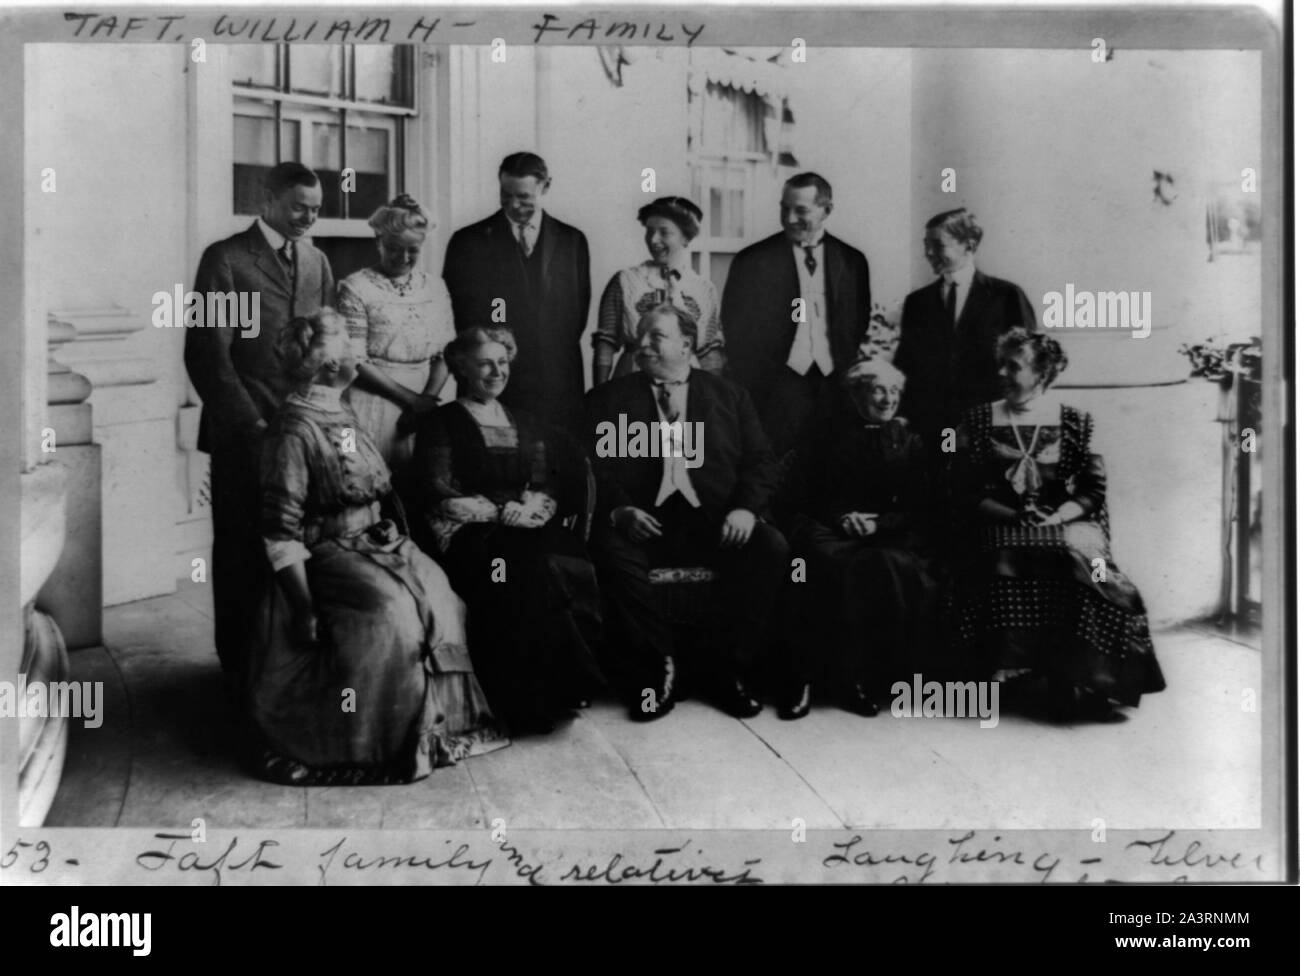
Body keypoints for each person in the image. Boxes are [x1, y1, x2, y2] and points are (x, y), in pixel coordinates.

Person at [248, 310, 508, 785]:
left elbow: (363, 476)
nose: (357, 350)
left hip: (374, 541)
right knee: (391, 613)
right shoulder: (293, 429)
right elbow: (279, 531)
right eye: (348, 341)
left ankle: (441, 730)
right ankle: (373, 744)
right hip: (325, 553)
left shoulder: (338, 407)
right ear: (329, 365)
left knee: (439, 594)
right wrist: (303, 607)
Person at [950, 329, 1166, 721]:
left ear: (1042, 372)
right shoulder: (978, 420)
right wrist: (1013, 514)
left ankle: (1083, 678)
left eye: (1013, 366)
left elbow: (1092, 490)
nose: (1001, 372)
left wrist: (1056, 515)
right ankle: (1022, 674)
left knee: (1091, 570)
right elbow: (963, 489)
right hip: (999, 522)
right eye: (1001, 363)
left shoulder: (1075, 422)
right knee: (1004, 558)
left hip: (1066, 521)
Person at [585, 303, 788, 721]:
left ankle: (726, 669)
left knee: (771, 546)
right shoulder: (607, 400)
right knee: (609, 552)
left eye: (654, 336)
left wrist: (746, 511)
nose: (641, 345)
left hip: (713, 522)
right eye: (639, 336)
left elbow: (760, 462)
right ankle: (660, 667)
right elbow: (593, 469)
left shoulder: (729, 395)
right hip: (644, 523)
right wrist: (620, 509)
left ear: (686, 344)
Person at [410, 326, 604, 735]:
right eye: (485, 364)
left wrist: (532, 506)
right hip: (472, 531)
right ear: (462, 368)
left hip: (523, 524)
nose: (496, 371)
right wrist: (501, 511)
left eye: (502, 362)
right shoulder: (441, 422)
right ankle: (519, 701)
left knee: (562, 561)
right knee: (516, 571)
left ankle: (564, 687)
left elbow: (543, 480)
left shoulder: (525, 421)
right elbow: (438, 487)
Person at [185, 161, 335, 679]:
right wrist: (254, 429)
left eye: (315, 210)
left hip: (301, 434)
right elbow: (208, 358)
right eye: (299, 207)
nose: (307, 219)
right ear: (266, 200)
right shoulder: (225, 259)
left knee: (295, 548)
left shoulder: (318, 262)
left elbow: (326, 349)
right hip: (241, 435)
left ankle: (284, 674)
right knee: (240, 550)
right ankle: (238, 671)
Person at [780, 358, 940, 720]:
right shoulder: (826, 438)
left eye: (895, 391)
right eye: (879, 390)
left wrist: (879, 524)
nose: (888, 399)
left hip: (888, 536)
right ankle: (801, 677)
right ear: (856, 393)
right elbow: (802, 496)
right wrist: (842, 518)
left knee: (882, 566)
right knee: (815, 564)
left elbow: (924, 507)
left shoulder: (910, 442)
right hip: (829, 530)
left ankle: (856, 678)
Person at [721, 172, 871, 458]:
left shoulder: (852, 261)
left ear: (826, 210)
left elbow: (857, 323)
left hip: (834, 386)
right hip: (774, 389)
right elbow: (735, 328)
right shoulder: (752, 261)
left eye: (800, 210)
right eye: (784, 208)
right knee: (773, 472)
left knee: (832, 469)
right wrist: (760, 382)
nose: (789, 218)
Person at [442, 152, 591, 431]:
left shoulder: (573, 242)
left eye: (523, 197)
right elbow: (457, 317)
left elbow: (576, 317)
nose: (513, 205)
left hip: (557, 385)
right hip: (491, 384)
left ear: (545, 187)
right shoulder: (467, 242)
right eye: (505, 194)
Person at [894, 208, 1037, 445]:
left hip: (992, 426)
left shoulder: (1007, 296)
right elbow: (905, 366)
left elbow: (1029, 364)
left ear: (969, 246)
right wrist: (901, 417)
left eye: (938, 245)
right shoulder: (917, 302)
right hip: (931, 427)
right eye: (925, 244)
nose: (928, 253)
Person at [336, 194, 455, 480]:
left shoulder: (436, 287)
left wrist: (427, 399)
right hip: (373, 398)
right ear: (378, 241)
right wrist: (410, 400)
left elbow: (447, 352)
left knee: (425, 484)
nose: (403, 258)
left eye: (412, 250)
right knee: (367, 481)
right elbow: (355, 359)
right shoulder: (356, 287)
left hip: (427, 403)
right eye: (393, 249)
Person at [592, 196, 724, 384]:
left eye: (664, 232)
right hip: (632, 381)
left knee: (684, 414)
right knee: (624, 415)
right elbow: (605, 342)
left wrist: (713, 397)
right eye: (649, 231)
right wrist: (600, 394)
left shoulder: (704, 289)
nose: (654, 240)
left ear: (685, 237)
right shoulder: (625, 281)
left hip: (686, 383)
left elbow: (710, 352)